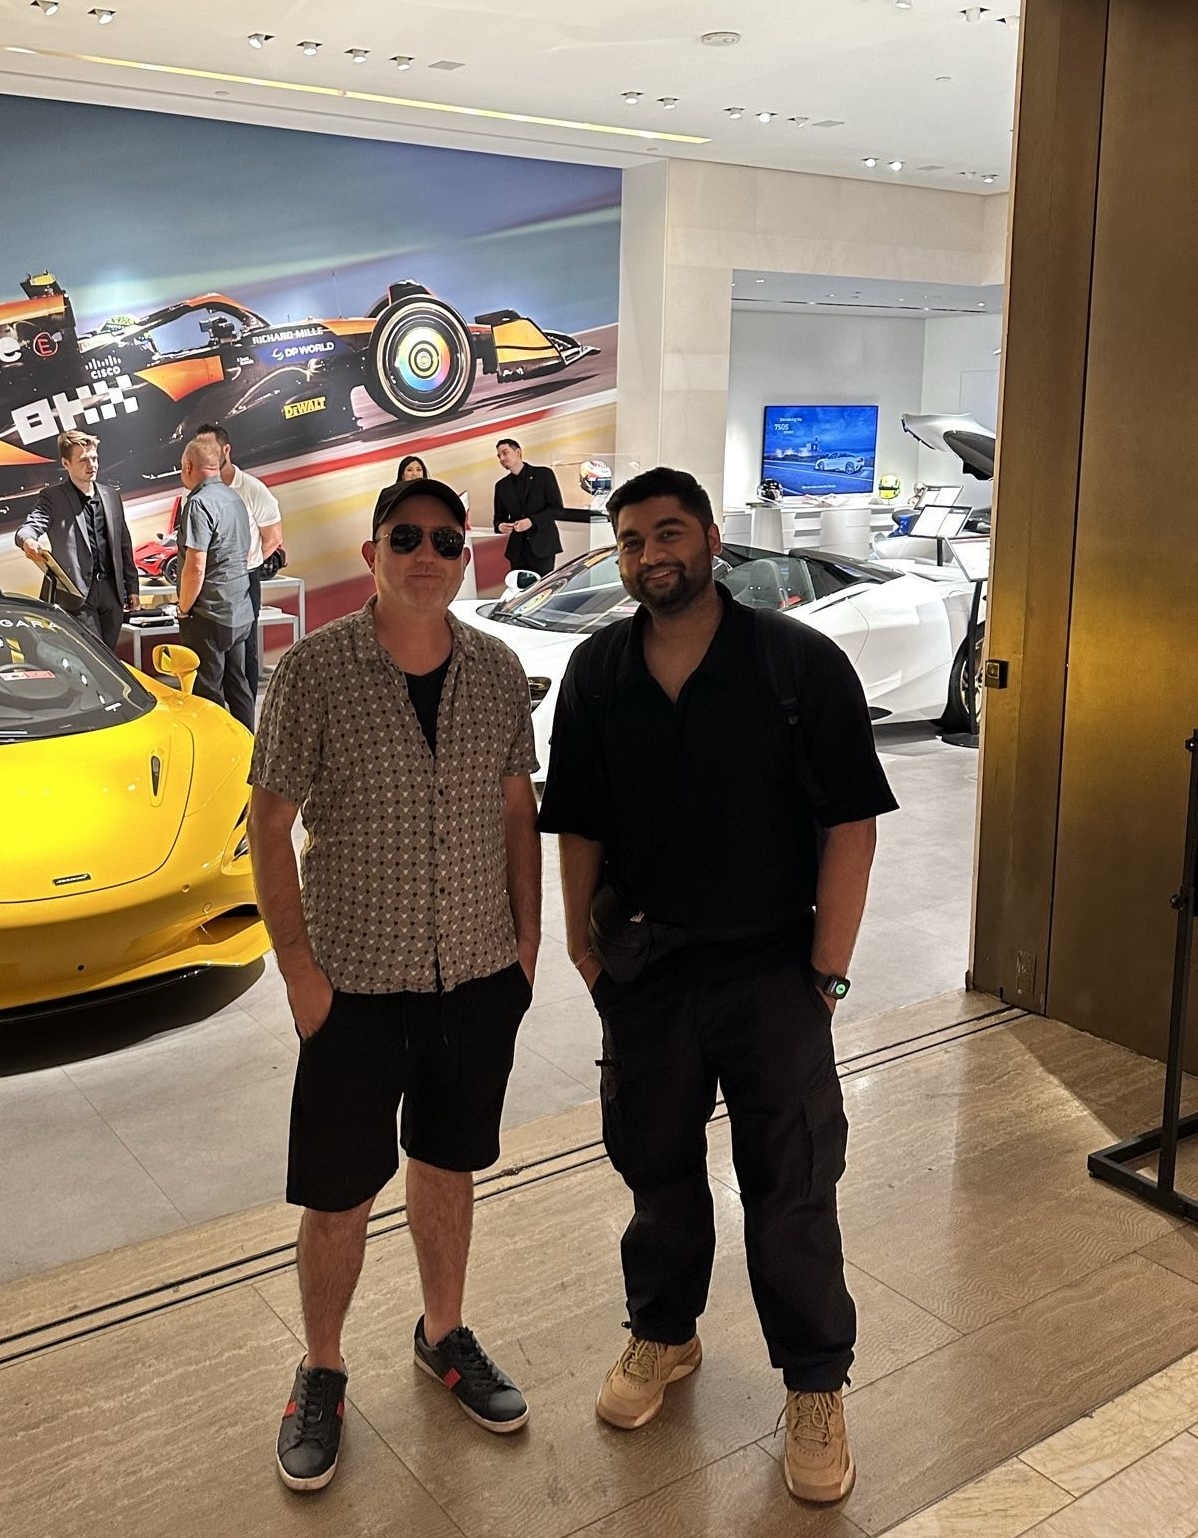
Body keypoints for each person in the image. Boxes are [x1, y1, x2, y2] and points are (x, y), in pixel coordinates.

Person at [538, 466, 897, 1506]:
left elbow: (851, 825)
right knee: (654, 1168)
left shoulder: (797, 665)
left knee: (791, 1186)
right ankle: (664, 1332)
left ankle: (818, 1386)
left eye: (669, 532)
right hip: (646, 969)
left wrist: (828, 969)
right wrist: (582, 947)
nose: (652, 554)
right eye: (632, 540)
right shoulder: (600, 671)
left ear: (709, 539)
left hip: (773, 966)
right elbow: (581, 823)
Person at [249, 475, 542, 1493]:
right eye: (407, 536)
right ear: (373, 551)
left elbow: (517, 813)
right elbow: (268, 820)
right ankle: (322, 1367)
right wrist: (297, 971)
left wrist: (527, 948)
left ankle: (444, 1332)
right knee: (338, 1194)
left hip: (474, 971)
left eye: (447, 541)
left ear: (467, 558)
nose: (428, 553)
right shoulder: (314, 671)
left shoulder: (500, 672)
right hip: (354, 982)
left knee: (448, 1165)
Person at [15, 429, 139, 648]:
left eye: (94, 458)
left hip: (112, 593)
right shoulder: (53, 497)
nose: (92, 465)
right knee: (93, 655)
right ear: (66, 463)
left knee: (109, 657)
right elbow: (29, 527)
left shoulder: (111, 495)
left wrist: (133, 589)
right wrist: (28, 541)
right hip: (79, 595)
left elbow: (123, 545)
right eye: (83, 460)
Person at [193, 423, 284, 700]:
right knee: (213, 658)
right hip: (212, 584)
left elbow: (273, 537)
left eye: (209, 448)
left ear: (226, 450)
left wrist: (245, 565)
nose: (204, 455)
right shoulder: (197, 492)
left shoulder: (253, 489)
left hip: (245, 580)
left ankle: (246, 723)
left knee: (246, 652)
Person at [173, 436, 255, 729]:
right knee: (239, 686)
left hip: (207, 615)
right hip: (239, 611)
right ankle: (250, 750)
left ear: (188, 465)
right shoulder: (234, 499)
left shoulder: (198, 503)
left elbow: (195, 566)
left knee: (207, 694)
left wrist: (183, 608)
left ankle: (215, 757)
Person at [493, 437, 563, 577]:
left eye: (505, 453)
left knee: (542, 591)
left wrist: (531, 521)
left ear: (518, 452)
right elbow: (498, 518)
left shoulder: (543, 475)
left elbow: (556, 509)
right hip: (518, 551)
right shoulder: (501, 486)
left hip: (542, 547)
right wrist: (500, 526)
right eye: (499, 456)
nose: (502, 458)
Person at [372, 454, 429, 520]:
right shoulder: (389, 494)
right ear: (402, 475)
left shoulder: (432, 492)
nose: (415, 474)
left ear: (423, 474)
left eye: (418, 470)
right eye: (409, 470)